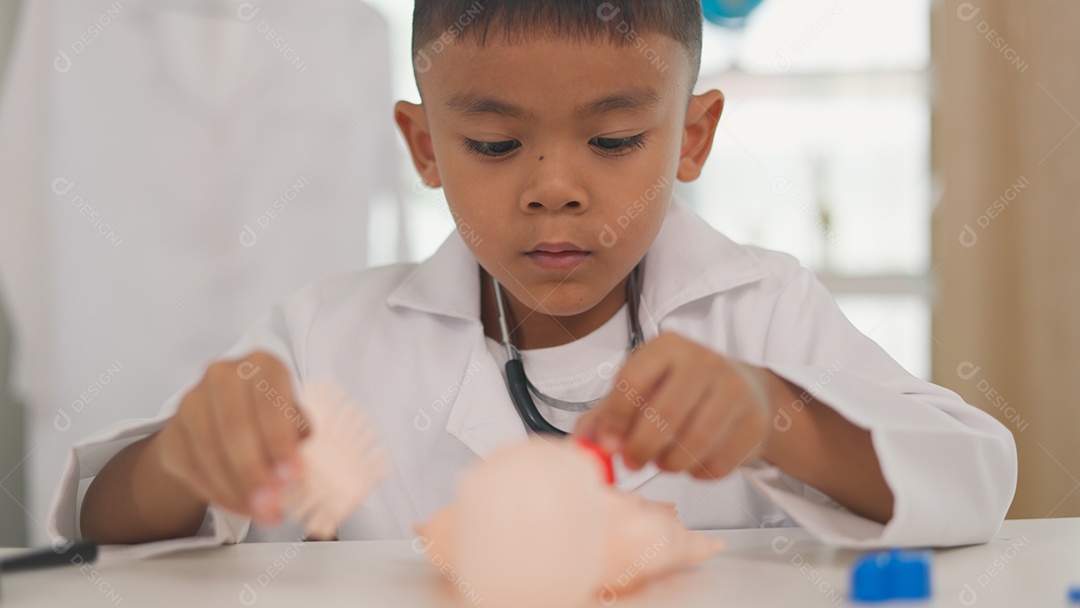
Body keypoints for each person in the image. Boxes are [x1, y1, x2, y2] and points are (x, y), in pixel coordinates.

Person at [54, 0, 1016, 550]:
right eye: (494, 142)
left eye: (612, 139)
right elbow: (105, 525)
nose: (554, 189)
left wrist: (772, 414)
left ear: (692, 136)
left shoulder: (760, 313)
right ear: (424, 147)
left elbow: (972, 480)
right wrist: (186, 458)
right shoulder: (326, 336)